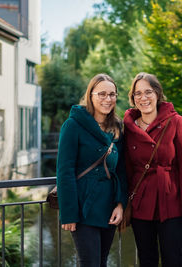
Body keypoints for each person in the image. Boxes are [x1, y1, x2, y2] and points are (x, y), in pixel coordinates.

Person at [123, 72, 182, 267]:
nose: (143, 97)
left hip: (171, 202)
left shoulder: (175, 122)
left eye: (148, 92)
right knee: (147, 260)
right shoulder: (128, 127)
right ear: (133, 98)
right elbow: (127, 170)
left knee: (173, 260)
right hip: (141, 204)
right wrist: (123, 202)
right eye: (137, 93)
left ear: (157, 94)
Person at [56, 73, 127, 267]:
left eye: (112, 94)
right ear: (91, 95)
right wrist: (69, 213)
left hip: (109, 206)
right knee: (89, 262)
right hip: (83, 206)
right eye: (102, 94)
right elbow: (65, 171)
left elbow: (120, 169)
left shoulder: (117, 127)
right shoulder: (73, 125)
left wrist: (120, 204)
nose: (108, 99)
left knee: (102, 261)